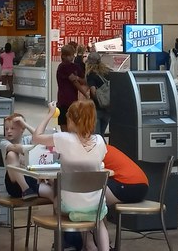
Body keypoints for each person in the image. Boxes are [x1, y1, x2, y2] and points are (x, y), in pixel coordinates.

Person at [33, 99, 110, 251]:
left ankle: (64, 244)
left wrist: (49, 114)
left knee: (56, 200)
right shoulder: (101, 141)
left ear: (73, 121)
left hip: (68, 205)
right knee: (99, 220)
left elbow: (36, 137)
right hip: (95, 204)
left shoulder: (64, 139)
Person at [1, 113, 39, 199]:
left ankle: (60, 210)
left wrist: (25, 124)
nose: (8, 131)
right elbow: (15, 147)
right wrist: (30, 149)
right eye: (6, 129)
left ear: (22, 129)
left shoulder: (27, 140)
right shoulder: (4, 143)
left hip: (31, 179)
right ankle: (25, 189)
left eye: (12, 128)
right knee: (11, 154)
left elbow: (40, 136)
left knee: (51, 192)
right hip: (14, 184)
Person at [56, 44, 86, 128]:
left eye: (72, 55)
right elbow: (75, 83)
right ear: (63, 56)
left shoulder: (75, 66)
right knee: (65, 124)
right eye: (69, 55)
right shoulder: (63, 67)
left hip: (72, 100)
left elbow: (83, 81)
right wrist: (85, 94)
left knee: (71, 124)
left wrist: (77, 78)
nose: (71, 57)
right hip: (64, 100)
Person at [84, 52, 111, 135]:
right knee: (101, 134)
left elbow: (93, 91)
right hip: (108, 108)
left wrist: (99, 99)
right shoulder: (107, 72)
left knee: (97, 136)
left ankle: (104, 148)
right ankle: (105, 147)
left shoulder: (91, 74)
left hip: (97, 108)